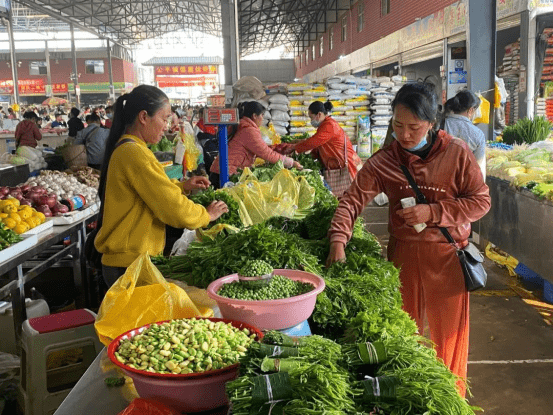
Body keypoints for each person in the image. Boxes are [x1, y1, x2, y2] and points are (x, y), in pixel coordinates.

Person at [326, 81, 491, 398]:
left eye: (413, 127)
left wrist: (432, 212)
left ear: (431, 123)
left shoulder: (456, 154)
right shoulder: (385, 161)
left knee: (450, 338)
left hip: (448, 259)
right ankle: (408, 396)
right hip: (403, 258)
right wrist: (338, 239)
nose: (404, 135)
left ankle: (449, 397)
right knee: (405, 332)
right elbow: (351, 201)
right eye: (398, 125)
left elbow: (481, 202)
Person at [94, 85, 229, 287]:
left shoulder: (132, 149)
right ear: (143, 117)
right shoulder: (133, 153)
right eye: (164, 119)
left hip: (129, 261)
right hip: (129, 265)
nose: (167, 126)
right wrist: (206, 215)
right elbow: (172, 206)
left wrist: (183, 186)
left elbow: (153, 189)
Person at [209, 101, 302, 187]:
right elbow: (266, 153)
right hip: (224, 174)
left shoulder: (244, 126)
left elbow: (261, 149)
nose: (262, 119)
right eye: (262, 115)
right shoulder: (249, 131)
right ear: (254, 116)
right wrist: (291, 162)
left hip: (221, 171)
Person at [283, 101, 362, 181]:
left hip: (346, 164)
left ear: (319, 114)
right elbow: (319, 143)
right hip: (340, 163)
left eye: (311, 117)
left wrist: (295, 149)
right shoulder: (324, 125)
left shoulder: (329, 125)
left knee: (348, 189)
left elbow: (313, 142)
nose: (311, 121)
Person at [443, 90, 487, 179]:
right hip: (463, 184)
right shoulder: (478, 134)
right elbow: (479, 168)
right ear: (471, 110)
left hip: (437, 182)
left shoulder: (440, 125)